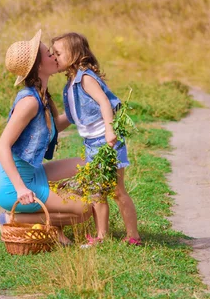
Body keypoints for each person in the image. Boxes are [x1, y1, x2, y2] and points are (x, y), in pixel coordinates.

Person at [0, 29, 92, 245]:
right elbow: (2, 146)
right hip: (14, 186)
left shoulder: (42, 96)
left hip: (34, 172)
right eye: (49, 54)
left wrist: (80, 112)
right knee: (84, 210)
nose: (54, 57)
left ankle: (48, 217)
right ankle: (13, 218)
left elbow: (51, 127)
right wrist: (21, 188)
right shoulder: (28, 102)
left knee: (86, 166)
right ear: (38, 66)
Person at [52, 32, 142, 246]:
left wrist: (110, 131)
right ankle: (101, 237)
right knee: (96, 193)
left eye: (58, 53)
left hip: (107, 141)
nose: (54, 57)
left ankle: (133, 236)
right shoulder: (69, 87)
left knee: (117, 191)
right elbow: (72, 118)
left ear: (74, 55)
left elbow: (104, 102)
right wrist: (51, 132)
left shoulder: (85, 78)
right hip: (91, 145)